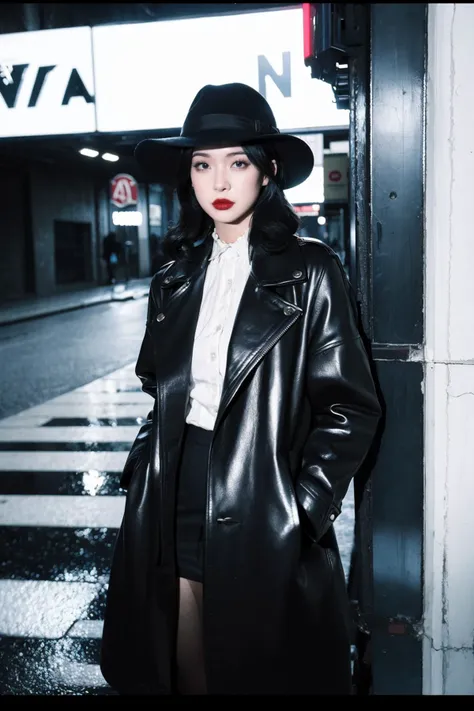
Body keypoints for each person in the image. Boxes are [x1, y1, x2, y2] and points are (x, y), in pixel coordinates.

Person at [100, 83, 382, 696]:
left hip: (263, 505)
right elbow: (160, 391)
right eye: (202, 164)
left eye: (237, 162)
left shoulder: (311, 270)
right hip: (169, 499)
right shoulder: (174, 279)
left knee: (256, 674)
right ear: (188, 177)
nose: (218, 180)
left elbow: (350, 408)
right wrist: (142, 474)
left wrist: (301, 510)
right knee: (183, 673)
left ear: (268, 171)